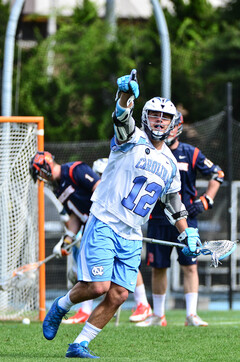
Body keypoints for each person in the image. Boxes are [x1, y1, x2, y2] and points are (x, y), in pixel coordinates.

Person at [42, 69, 203, 359]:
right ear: (145, 116)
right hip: (105, 221)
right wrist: (125, 94)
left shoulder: (169, 162)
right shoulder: (131, 138)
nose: (159, 120)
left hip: (131, 233)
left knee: (118, 294)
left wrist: (186, 231)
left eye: (165, 117)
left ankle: (79, 345)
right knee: (98, 286)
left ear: (171, 124)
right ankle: (62, 305)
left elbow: (172, 201)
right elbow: (120, 118)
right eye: (154, 114)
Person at [135, 111, 224, 327]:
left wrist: (206, 201)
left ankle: (191, 315)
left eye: (171, 123)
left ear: (178, 127)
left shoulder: (190, 153)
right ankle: (158, 315)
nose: (166, 127)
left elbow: (217, 174)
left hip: (186, 220)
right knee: (158, 267)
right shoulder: (150, 151)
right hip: (157, 217)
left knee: (190, 266)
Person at [30, 153, 107, 323]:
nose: (41, 178)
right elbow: (75, 216)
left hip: (105, 223)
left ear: (45, 167)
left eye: (40, 173)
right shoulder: (58, 189)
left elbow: (100, 189)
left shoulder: (75, 170)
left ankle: (143, 305)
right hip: (90, 228)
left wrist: (101, 221)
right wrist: (67, 240)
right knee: (87, 270)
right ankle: (85, 311)